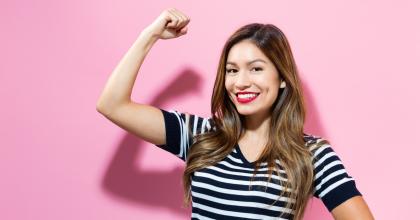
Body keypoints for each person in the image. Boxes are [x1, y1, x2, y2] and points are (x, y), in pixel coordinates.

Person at [96, 8, 374, 220]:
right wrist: (150, 35)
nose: (240, 82)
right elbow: (112, 104)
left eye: (255, 68)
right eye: (232, 70)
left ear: (282, 78)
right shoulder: (200, 136)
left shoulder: (312, 154)